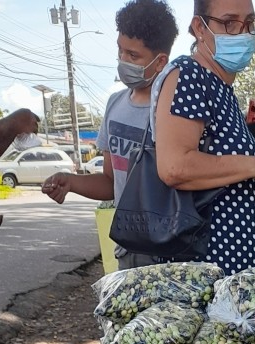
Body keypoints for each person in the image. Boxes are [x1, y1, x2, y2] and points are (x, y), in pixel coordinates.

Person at [151, 0, 255, 275]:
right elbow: (175, 167)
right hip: (206, 278)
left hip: (234, 274)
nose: (244, 32)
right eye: (230, 22)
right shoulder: (190, 76)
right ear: (200, 27)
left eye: (249, 23)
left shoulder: (221, 90)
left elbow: (224, 198)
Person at [42, 0, 179, 270]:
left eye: (133, 55)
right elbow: (110, 182)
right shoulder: (115, 105)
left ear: (160, 61)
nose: (123, 61)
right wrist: (71, 182)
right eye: (120, 51)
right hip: (129, 245)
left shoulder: (174, 108)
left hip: (171, 248)